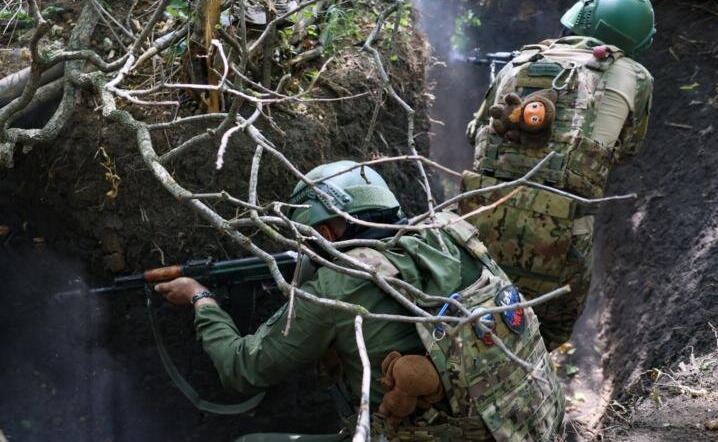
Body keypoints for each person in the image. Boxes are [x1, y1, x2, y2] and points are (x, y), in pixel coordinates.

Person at [155, 160, 564, 441]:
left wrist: (200, 297)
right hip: (532, 424)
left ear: (328, 233)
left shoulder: (339, 288)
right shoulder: (451, 232)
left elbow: (243, 369)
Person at [461, 0, 655, 350]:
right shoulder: (636, 76)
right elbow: (625, 150)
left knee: (473, 319)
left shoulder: (520, 60)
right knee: (546, 334)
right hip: (561, 236)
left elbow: (476, 134)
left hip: (480, 224)